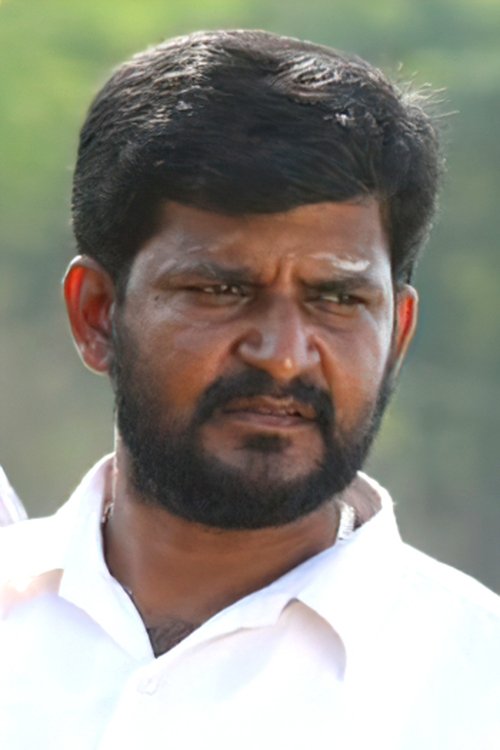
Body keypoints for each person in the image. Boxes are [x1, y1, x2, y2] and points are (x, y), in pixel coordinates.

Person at [1, 29, 499, 749]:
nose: (285, 356)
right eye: (221, 290)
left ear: (398, 332)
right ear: (98, 314)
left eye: (337, 299)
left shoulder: (476, 692)